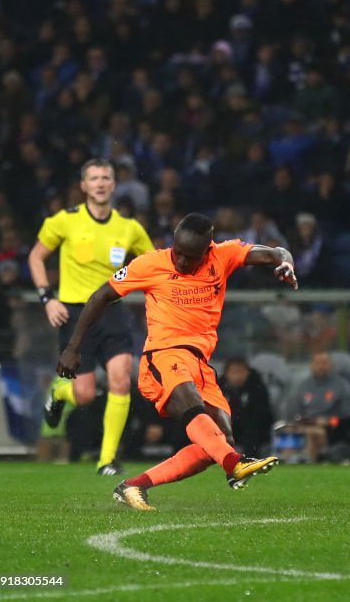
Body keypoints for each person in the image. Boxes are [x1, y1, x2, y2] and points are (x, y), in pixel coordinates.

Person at [56, 213, 298, 511]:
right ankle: (235, 465)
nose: (182, 261)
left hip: (200, 362)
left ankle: (133, 487)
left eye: (190, 256)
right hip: (163, 355)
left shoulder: (223, 256)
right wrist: (73, 347)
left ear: (208, 249)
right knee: (195, 410)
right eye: (178, 253)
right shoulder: (149, 264)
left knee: (218, 442)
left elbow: (275, 252)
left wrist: (285, 262)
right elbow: (100, 296)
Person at [28, 158, 155, 475]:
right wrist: (47, 298)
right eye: (93, 178)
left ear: (114, 185)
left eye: (106, 178)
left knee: (120, 378)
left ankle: (106, 459)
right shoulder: (64, 220)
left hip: (112, 312)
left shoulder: (129, 228)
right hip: (73, 314)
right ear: (83, 186)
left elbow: (154, 265)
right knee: (83, 394)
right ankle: (59, 392)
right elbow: (36, 257)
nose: (99, 183)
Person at [279, 351, 350, 463]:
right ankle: (287, 465)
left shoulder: (343, 386)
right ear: (311, 366)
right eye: (318, 363)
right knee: (289, 432)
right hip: (305, 425)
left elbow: (349, 416)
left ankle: (308, 464)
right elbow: (294, 412)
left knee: (312, 433)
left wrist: (329, 421)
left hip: (332, 430)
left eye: (324, 363)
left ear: (331, 365)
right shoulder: (303, 386)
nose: (321, 367)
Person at [221, 357, 275, 457]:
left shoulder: (257, 388)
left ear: (248, 372)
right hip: (227, 427)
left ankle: (250, 463)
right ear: (226, 373)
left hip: (253, 429)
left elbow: (262, 415)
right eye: (233, 372)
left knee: (252, 436)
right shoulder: (218, 388)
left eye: (241, 372)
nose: (237, 376)